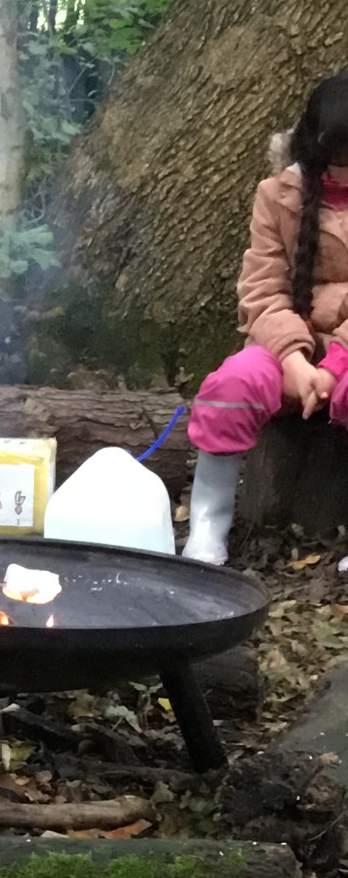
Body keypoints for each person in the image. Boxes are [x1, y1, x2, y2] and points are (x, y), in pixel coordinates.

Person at [185, 70, 348, 565]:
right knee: (231, 385)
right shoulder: (277, 194)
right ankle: (208, 526)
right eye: (338, 159)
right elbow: (261, 289)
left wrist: (334, 363)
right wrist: (296, 361)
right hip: (286, 342)